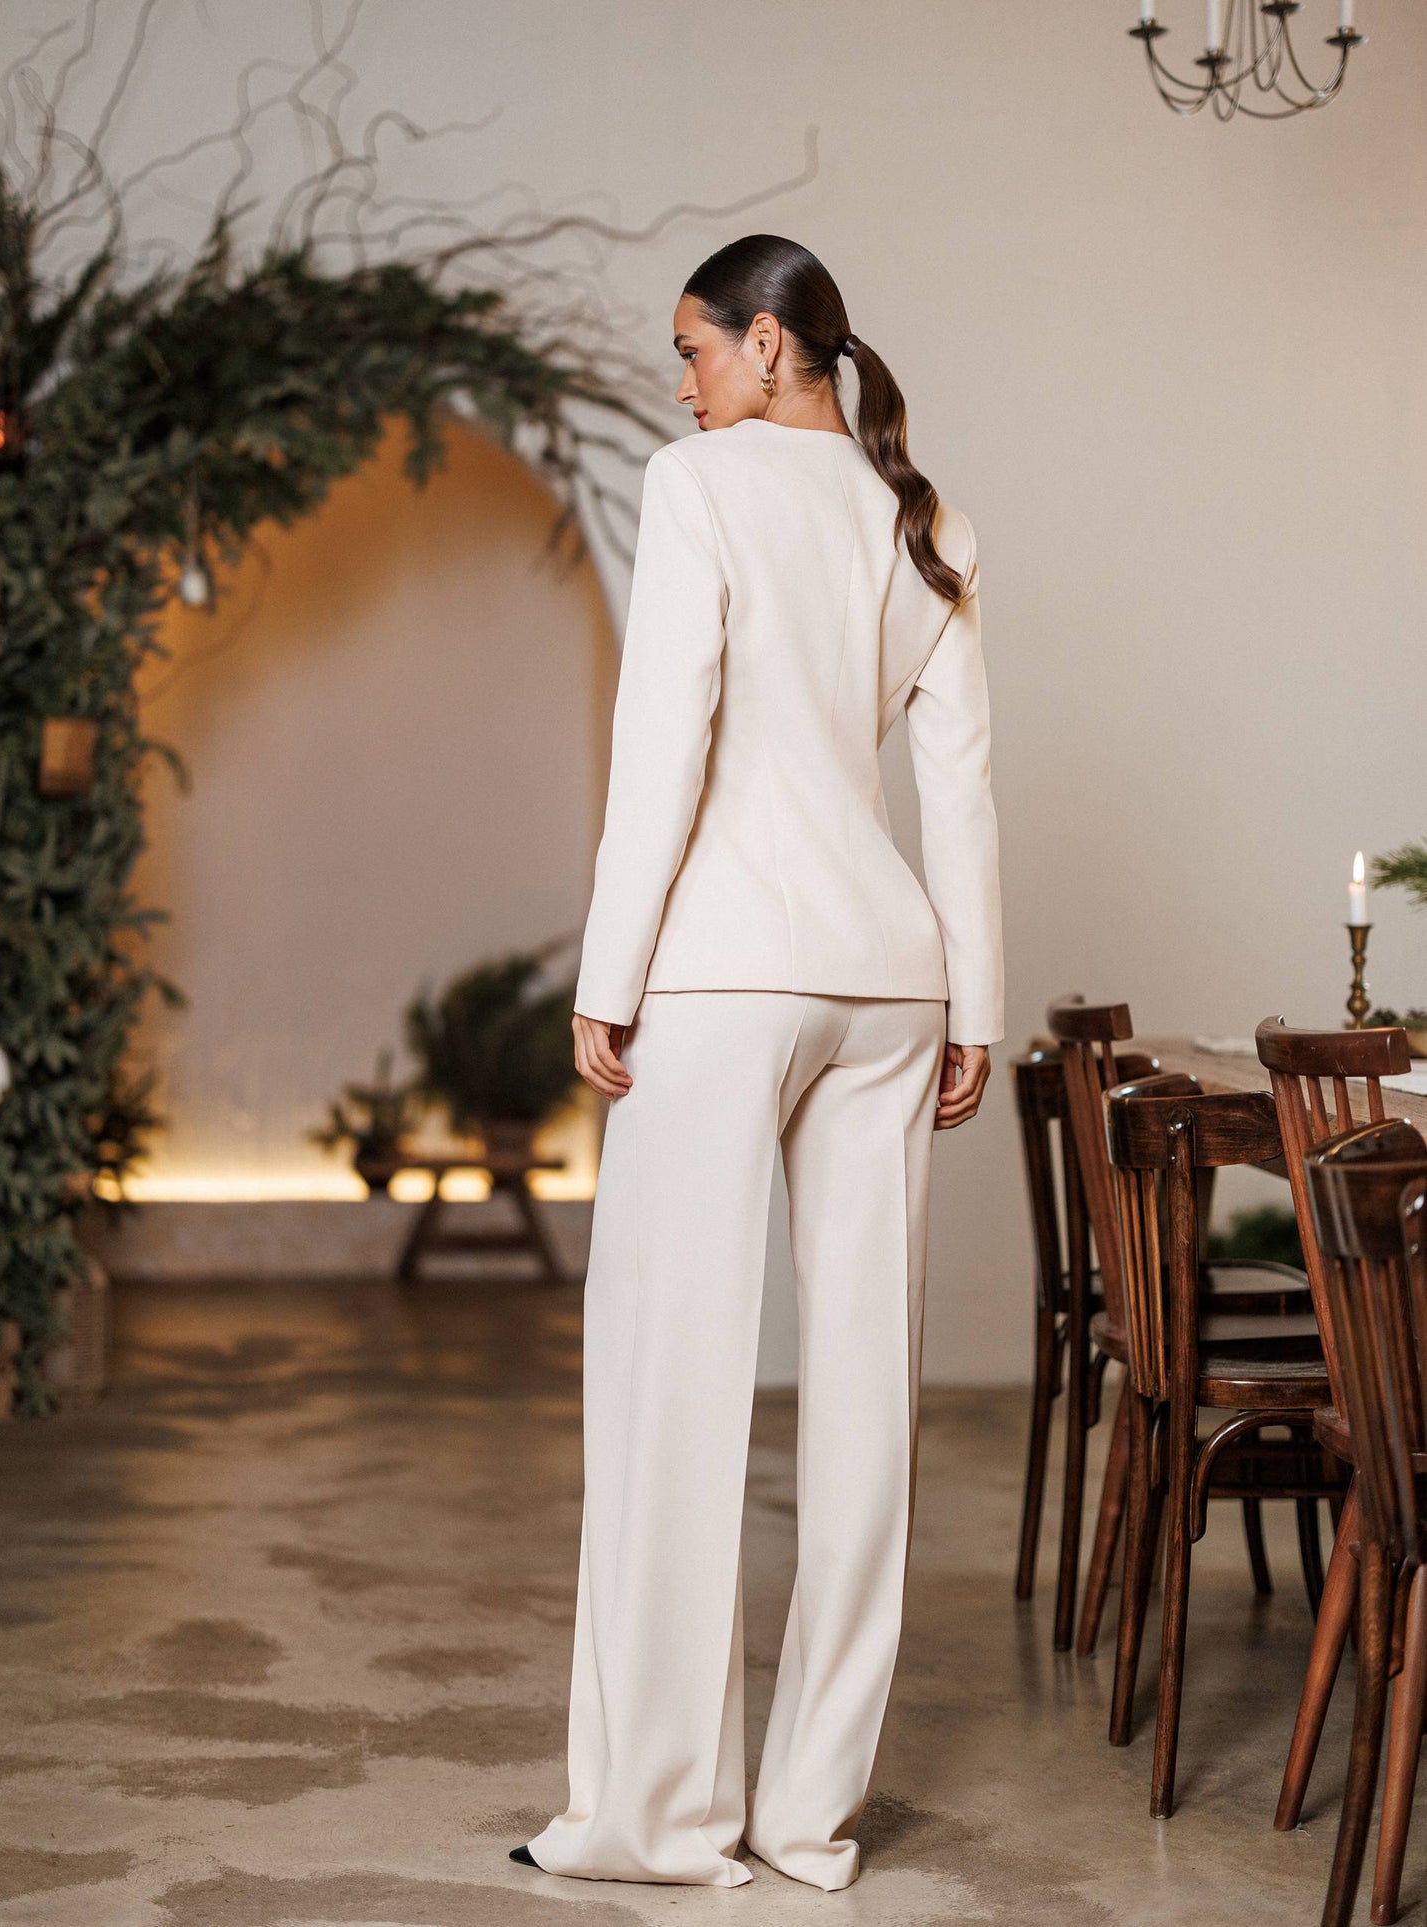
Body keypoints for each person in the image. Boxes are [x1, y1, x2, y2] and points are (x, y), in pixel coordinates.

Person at [511, 232, 1003, 1892]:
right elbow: (963, 789)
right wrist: (980, 1006)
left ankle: (654, 1818)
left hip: (724, 970)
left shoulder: (702, 483)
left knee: (668, 1386)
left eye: (696, 348)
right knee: (864, 1404)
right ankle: (805, 1816)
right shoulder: (914, 517)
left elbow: (663, 737)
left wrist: (611, 969)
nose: (682, 379)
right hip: (890, 982)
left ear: (772, 340)